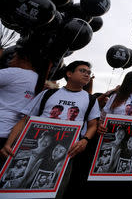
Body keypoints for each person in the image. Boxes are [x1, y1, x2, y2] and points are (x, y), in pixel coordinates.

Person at [1, 61, 100, 197]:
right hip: (33, 148)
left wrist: (85, 140)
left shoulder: (91, 100)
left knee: (49, 189)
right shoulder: (48, 94)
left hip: (64, 153)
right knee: (14, 186)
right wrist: (8, 144)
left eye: (89, 72)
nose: (87, 74)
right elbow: (25, 120)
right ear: (69, 74)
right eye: (82, 71)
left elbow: (93, 125)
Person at [0, 46, 50, 153]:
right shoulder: (38, 80)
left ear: (25, 59)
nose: (9, 61)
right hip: (15, 136)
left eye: (13, 57)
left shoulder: (12, 73)